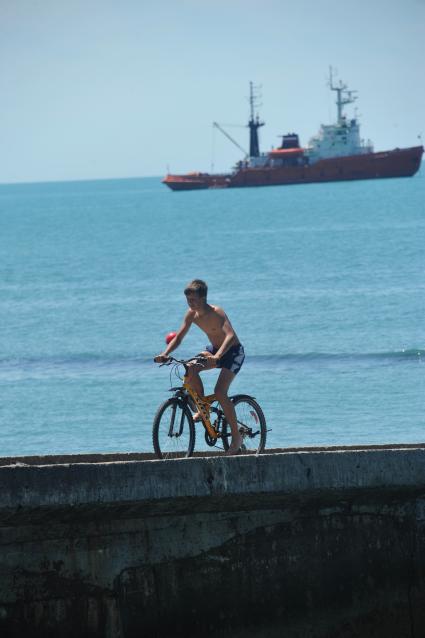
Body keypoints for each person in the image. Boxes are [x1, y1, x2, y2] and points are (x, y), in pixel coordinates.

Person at [154, 279, 245, 455]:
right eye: (188, 300)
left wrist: (218, 356)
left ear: (203, 298)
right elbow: (178, 337)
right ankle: (204, 410)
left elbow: (230, 336)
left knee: (220, 392)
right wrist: (165, 353)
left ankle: (236, 438)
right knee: (190, 367)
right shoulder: (191, 315)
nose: (191, 304)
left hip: (232, 352)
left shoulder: (217, 312)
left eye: (194, 300)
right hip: (214, 351)